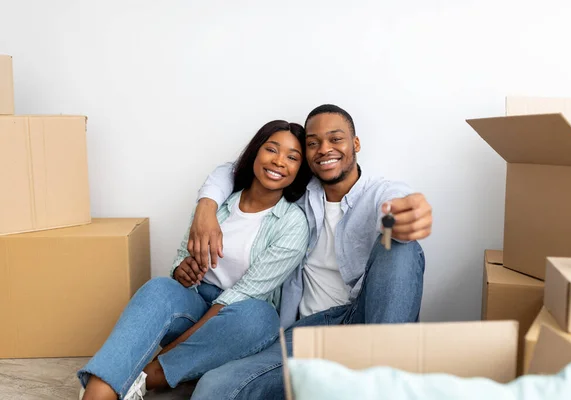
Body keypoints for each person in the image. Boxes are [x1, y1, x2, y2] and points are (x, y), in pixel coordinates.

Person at [185, 104, 433, 399]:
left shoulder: (378, 192)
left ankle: (382, 382)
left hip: (366, 326)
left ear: (355, 144)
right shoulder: (298, 193)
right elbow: (232, 169)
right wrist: (206, 206)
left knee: (400, 245)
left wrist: (409, 212)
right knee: (215, 386)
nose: (324, 149)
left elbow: (397, 201)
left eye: (335, 139)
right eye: (313, 143)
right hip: (304, 333)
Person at [77, 120, 312, 400]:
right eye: (271, 149)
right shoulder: (216, 205)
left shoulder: (292, 224)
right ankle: (99, 390)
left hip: (234, 323)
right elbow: (180, 259)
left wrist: (170, 352)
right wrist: (182, 271)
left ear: (299, 170)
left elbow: (245, 293)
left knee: (260, 317)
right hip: (196, 300)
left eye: (292, 157)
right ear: (255, 153)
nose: (278, 161)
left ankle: (148, 377)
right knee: (159, 288)